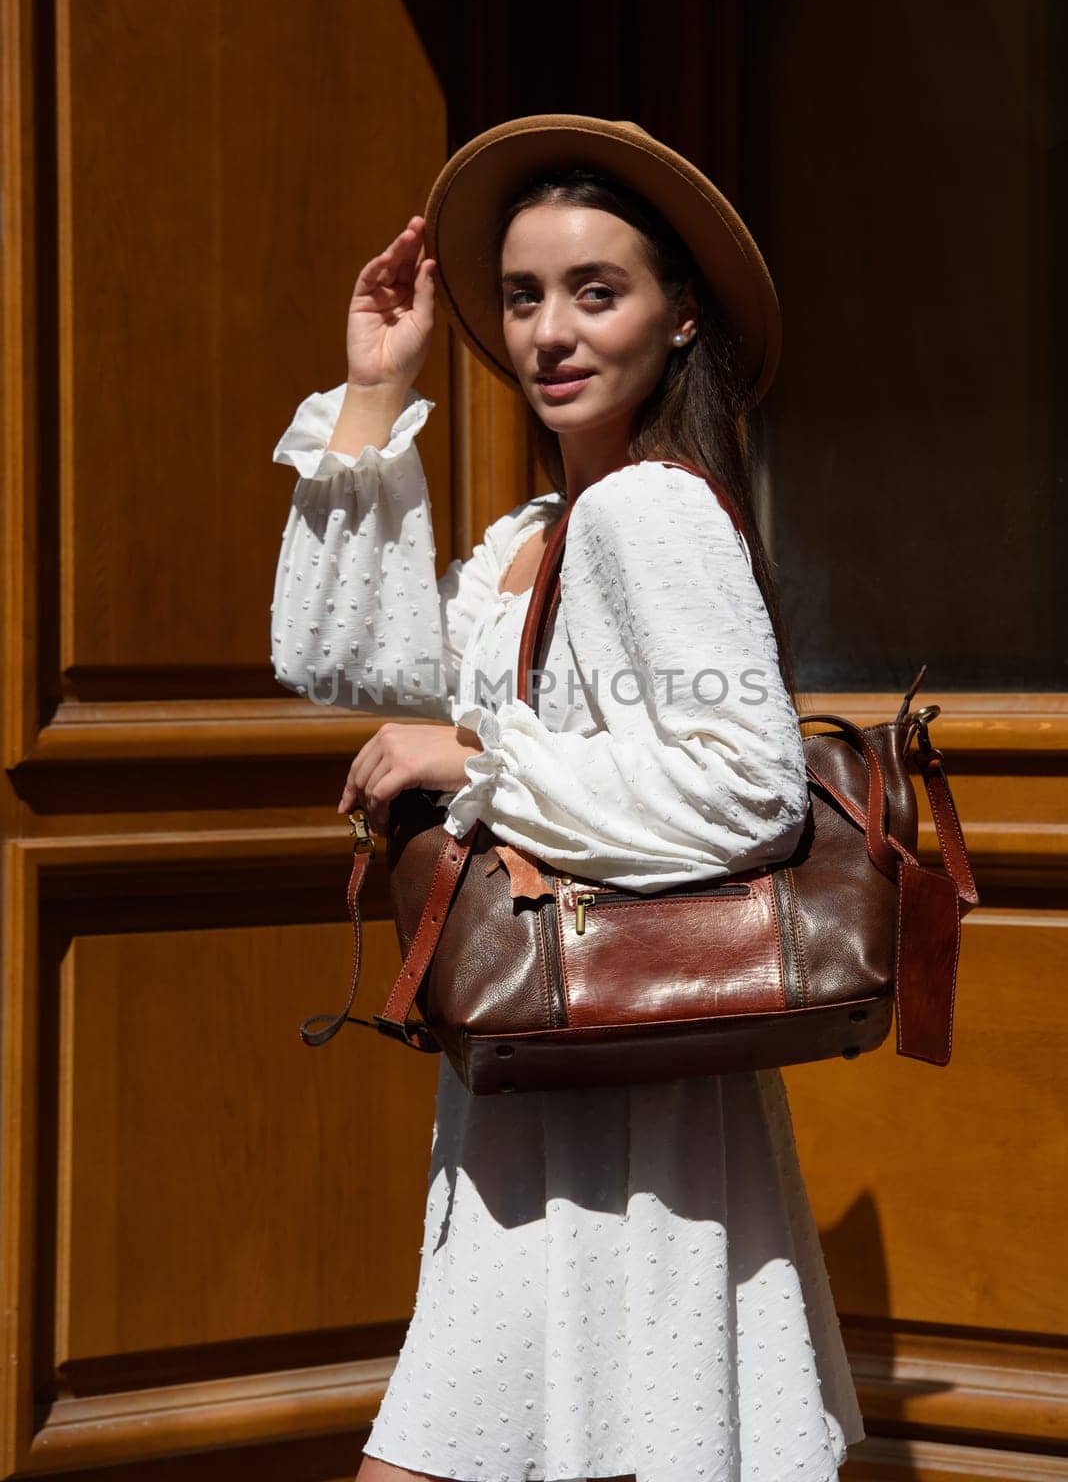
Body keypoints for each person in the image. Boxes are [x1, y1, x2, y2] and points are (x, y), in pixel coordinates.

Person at [271, 116, 866, 1482]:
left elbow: (749, 789)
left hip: (626, 1097)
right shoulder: (541, 534)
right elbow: (337, 658)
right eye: (528, 296)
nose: (551, 329)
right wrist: (373, 389)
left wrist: (477, 764)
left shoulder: (646, 513)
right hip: (557, 1081)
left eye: (598, 292)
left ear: (680, 319)